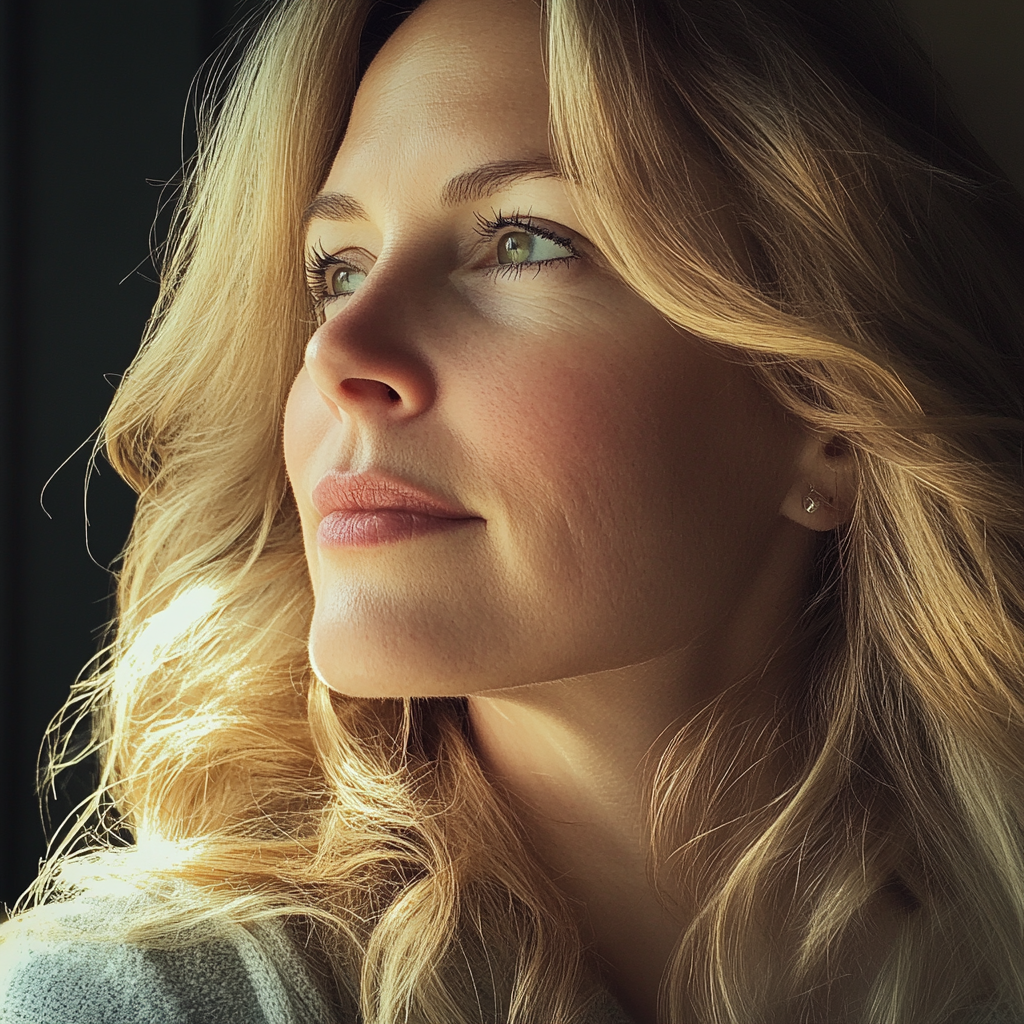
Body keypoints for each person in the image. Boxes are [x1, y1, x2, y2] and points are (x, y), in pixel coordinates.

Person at [2, 0, 1023, 1021]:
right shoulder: (123, 1000)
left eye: (524, 241)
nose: (337, 351)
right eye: (337, 271)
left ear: (829, 417)